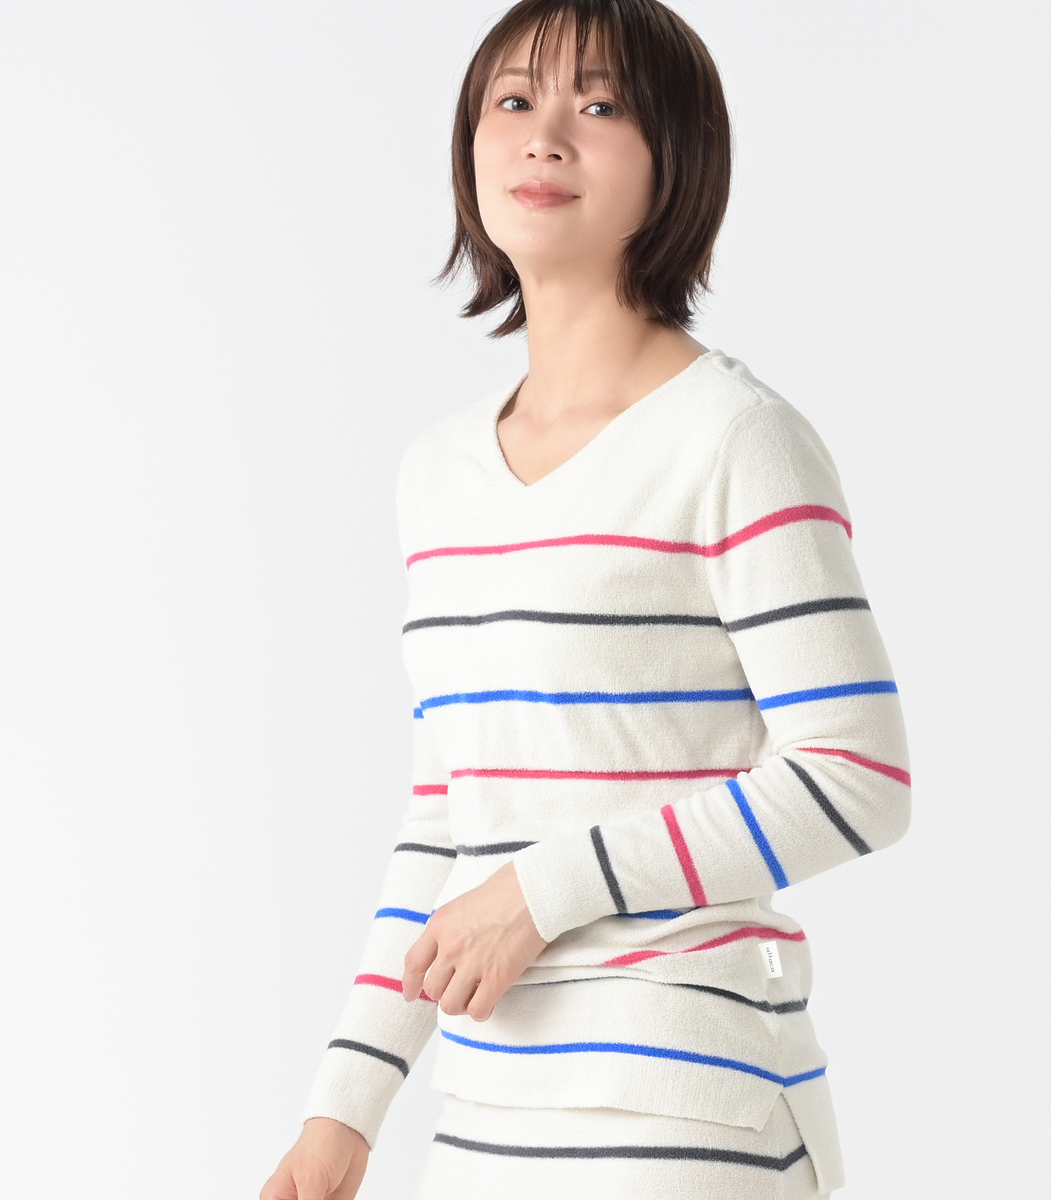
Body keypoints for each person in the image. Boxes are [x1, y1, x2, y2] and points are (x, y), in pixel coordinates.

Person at [261, 2, 910, 1197]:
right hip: (486, 1112)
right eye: (513, 100)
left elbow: (857, 776)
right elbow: (452, 809)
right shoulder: (438, 474)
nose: (543, 135)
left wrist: (543, 891)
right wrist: (345, 1108)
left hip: (686, 1106)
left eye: (598, 105)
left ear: (678, 161)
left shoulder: (734, 440)